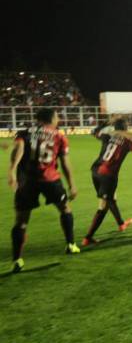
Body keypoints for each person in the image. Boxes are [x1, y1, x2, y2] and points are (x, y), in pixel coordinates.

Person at [7, 108, 80, 273]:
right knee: (65, 208)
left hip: (26, 182)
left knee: (21, 221)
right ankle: (71, 244)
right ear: (51, 118)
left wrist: (12, 170)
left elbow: (18, 149)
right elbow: (65, 164)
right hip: (50, 179)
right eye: (57, 117)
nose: (58, 119)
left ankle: (17, 260)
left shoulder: (25, 132)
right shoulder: (59, 135)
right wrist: (72, 184)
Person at [82, 118, 132, 246]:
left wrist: (106, 123)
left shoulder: (107, 136)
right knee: (103, 206)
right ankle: (88, 237)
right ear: (126, 129)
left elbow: (93, 132)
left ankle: (121, 224)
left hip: (95, 172)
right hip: (108, 175)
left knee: (111, 198)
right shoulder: (128, 142)